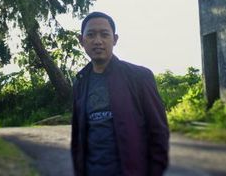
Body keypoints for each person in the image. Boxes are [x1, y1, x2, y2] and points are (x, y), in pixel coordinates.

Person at [71, 11, 169, 176]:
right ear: (82, 41)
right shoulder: (80, 82)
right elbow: (78, 137)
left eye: (104, 35)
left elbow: (158, 132)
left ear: (115, 39)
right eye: (91, 35)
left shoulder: (139, 77)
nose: (98, 41)